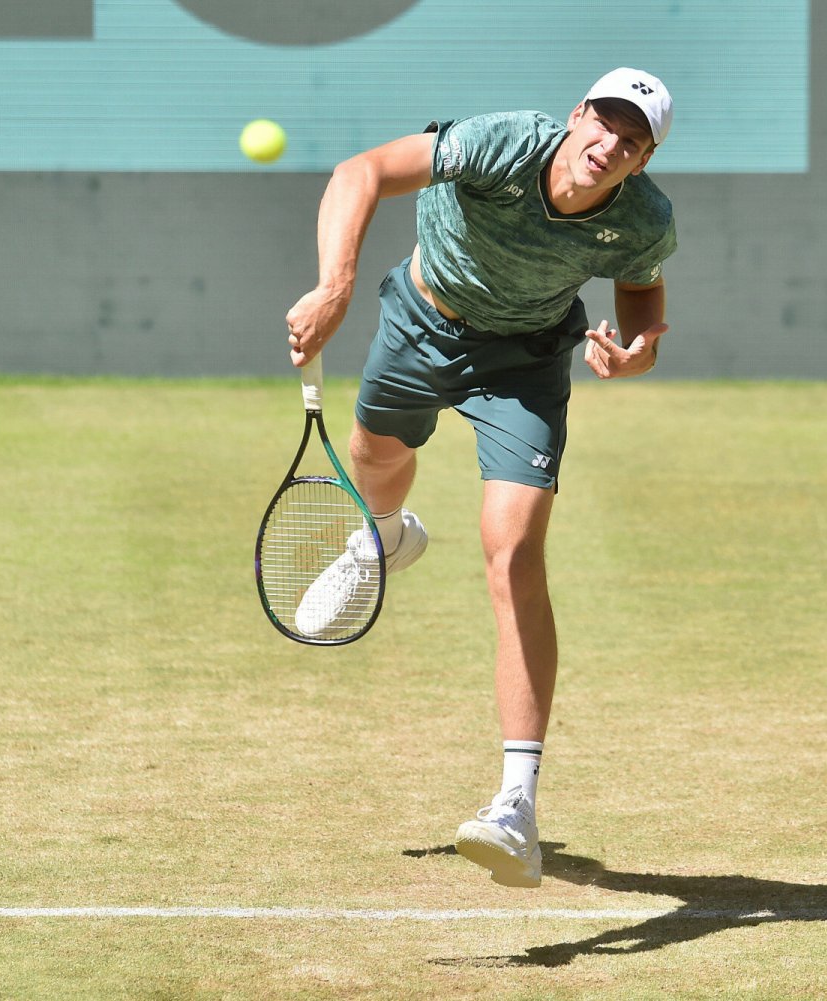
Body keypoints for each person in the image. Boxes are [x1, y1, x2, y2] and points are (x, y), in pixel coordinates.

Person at [284, 68, 677, 888]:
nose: (609, 144)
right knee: (373, 458)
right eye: (603, 122)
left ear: (642, 161)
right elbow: (361, 171)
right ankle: (382, 539)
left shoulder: (643, 217)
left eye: (631, 141)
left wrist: (638, 353)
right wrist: (335, 286)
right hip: (422, 320)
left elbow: (642, 290)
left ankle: (516, 806)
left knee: (514, 553)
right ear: (577, 115)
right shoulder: (504, 144)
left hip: (525, 362)